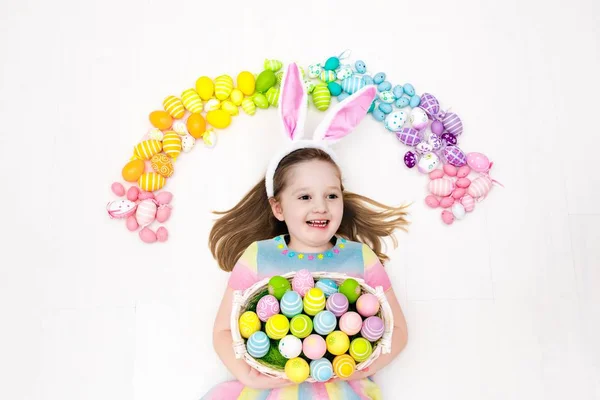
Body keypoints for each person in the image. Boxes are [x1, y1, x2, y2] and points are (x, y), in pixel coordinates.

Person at [202, 63, 409, 400]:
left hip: (342, 389)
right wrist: (249, 376)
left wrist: (362, 366)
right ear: (278, 208)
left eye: (332, 195)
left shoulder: (359, 256)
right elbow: (224, 330)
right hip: (271, 391)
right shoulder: (259, 256)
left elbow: (397, 330)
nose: (321, 207)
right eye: (305, 197)